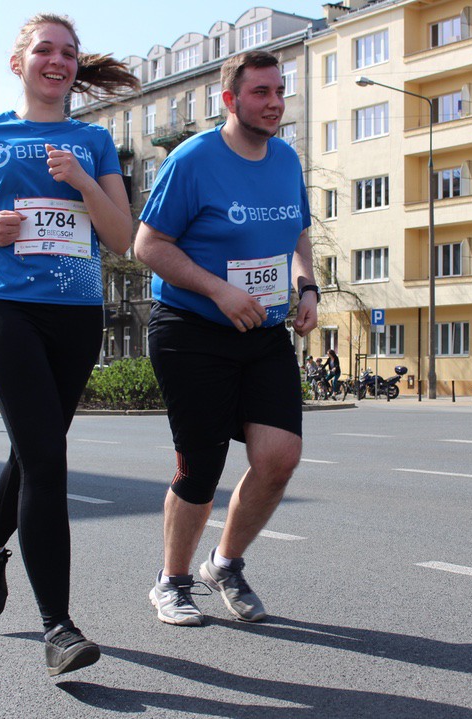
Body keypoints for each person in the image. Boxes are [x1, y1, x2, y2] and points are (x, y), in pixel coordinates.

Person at [0, 13, 139, 677]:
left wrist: (83, 181)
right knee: (47, 457)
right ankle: (59, 627)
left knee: (34, 451)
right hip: (6, 307)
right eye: (45, 50)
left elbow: (121, 238)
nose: (58, 61)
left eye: (68, 53)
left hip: (75, 313)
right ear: (19, 62)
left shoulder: (94, 141)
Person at [134, 50, 318, 627]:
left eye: (280, 90)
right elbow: (148, 245)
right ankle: (172, 581)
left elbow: (299, 235)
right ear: (230, 99)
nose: (275, 102)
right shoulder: (192, 160)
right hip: (192, 329)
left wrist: (307, 288)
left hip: (261, 331)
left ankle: (225, 564)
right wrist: (219, 291)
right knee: (202, 467)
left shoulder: (286, 159)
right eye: (261, 92)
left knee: (279, 458)